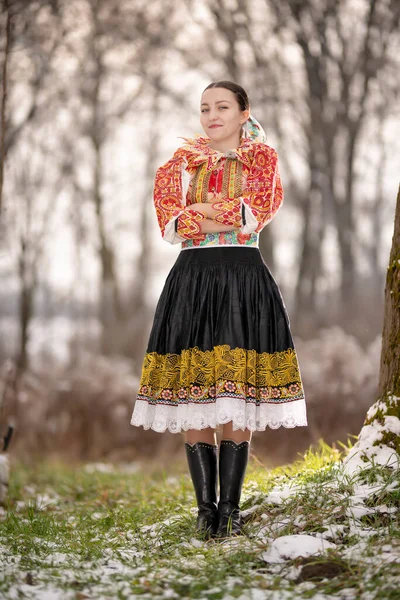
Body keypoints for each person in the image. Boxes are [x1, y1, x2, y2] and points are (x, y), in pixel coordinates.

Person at [131, 80, 307, 540]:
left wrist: (204, 211)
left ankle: (230, 508)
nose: (212, 114)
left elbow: (255, 212)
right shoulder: (177, 166)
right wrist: (219, 212)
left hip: (243, 278)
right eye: (205, 107)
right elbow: (170, 225)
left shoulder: (262, 159)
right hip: (191, 280)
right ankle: (204, 510)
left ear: (244, 112)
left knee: (235, 391)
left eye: (223, 106)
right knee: (196, 393)